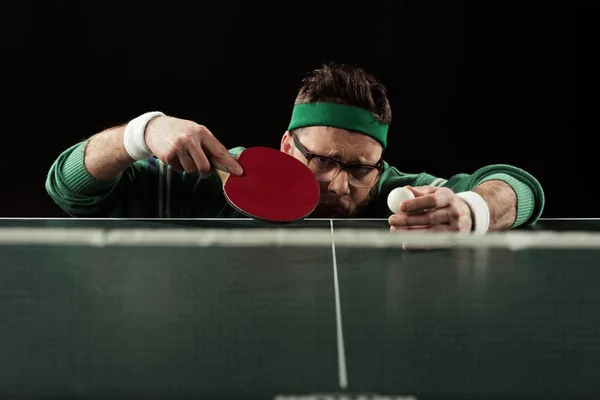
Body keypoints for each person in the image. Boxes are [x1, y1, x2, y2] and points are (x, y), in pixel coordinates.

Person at [45, 63, 544, 234]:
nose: (336, 181)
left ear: (380, 164)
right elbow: (72, 191)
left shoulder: (404, 200)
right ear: (287, 143)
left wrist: (475, 209)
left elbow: (519, 187)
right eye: (321, 159)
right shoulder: (216, 180)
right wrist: (140, 132)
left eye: (359, 168)